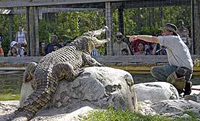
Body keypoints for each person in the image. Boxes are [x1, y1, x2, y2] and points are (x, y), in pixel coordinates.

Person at [128, 23, 193, 96]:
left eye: (164, 32)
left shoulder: (172, 39)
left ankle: (176, 88)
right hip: (187, 72)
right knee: (164, 72)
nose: (162, 34)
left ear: (171, 33)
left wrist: (137, 37)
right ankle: (184, 85)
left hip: (182, 71)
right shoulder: (177, 40)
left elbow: (152, 39)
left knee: (155, 71)